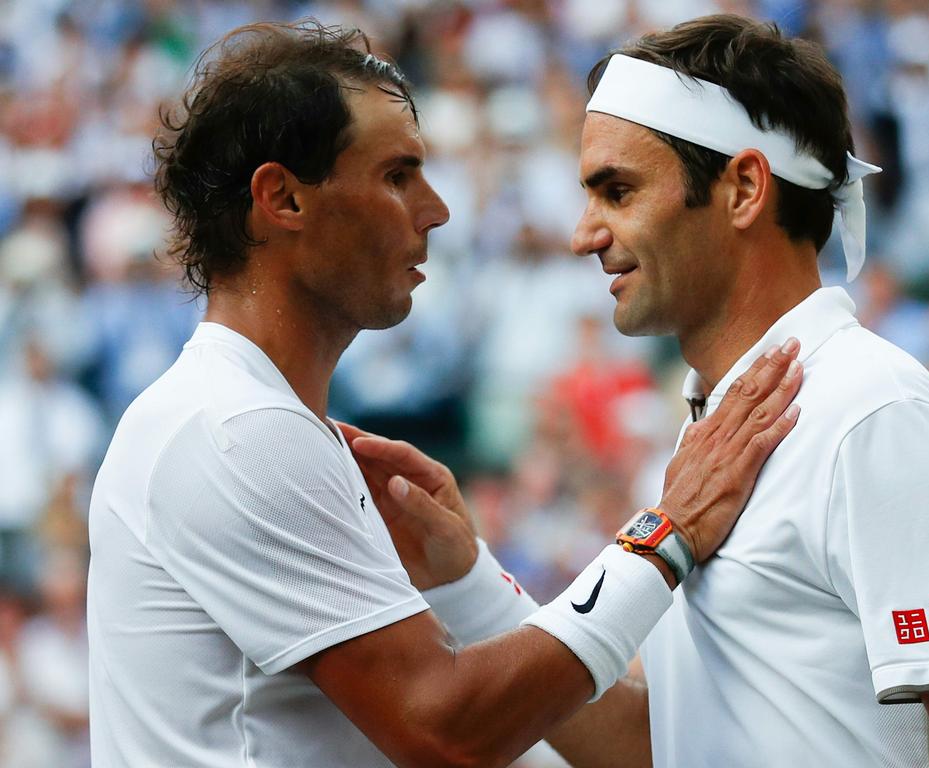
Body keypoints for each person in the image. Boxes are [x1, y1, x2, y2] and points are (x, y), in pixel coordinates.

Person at [85, 21, 804, 768]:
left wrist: (468, 581)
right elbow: (447, 734)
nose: (437, 209)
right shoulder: (235, 429)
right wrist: (667, 532)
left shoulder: (255, 423)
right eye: (397, 176)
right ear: (283, 199)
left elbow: (599, 745)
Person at [355, 14, 929, 768]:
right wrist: (471, 579)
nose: (584, 234)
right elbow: (659, 743)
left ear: (743, 189)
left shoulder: (874, 414)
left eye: (618, 191)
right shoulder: (714, 431)